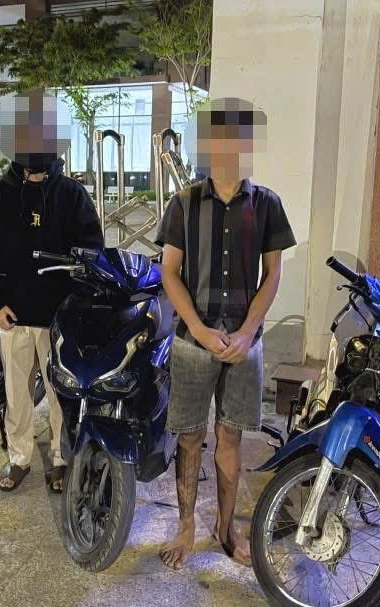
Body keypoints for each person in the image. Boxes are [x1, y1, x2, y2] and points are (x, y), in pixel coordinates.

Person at [156, 98, 296, 569]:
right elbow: (169, 272)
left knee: (230, 436)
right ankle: (186, 526)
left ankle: (226, 527)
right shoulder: (184, 203)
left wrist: (248, 331)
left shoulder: (267, 204)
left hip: (244, 342)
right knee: (189, 436)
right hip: (193, 342)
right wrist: (197, 328)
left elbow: (272, 275)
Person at [0, 91, 104, 493]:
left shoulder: (72, 195)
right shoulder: (0, 195)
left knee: (61, 393)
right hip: (12, 316)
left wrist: (73, 306)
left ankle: (61, 458)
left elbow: (91, 255)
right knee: (16, 395)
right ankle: (19, 458)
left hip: (57, 318)